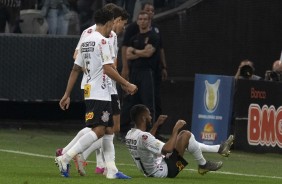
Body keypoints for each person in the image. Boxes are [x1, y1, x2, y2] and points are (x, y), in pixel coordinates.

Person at [55, 8, 137, 179]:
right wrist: (127, 83)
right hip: (101, 91)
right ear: (109, 22)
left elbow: (75, 69)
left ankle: (111, 170)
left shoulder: (86, 40)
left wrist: (67, 93)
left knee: (108, 130)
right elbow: (108, 68)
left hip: (91, 89)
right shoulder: (102, 41)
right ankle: (66, 157)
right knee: (99, 130)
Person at [125, 104, 235, 178]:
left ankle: (217, 151)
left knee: (185, 138)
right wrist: (175, 130)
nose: (150, 117)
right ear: (143, 118)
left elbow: (147, 142)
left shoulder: (130, 135)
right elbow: (168, 149)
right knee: (186, 134)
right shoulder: (144, 137)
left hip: (153, 168)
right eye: (148, 115)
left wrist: (156, 125)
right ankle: (204, 163)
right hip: (166, 171)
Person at [120, 2, 168, 140]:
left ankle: (151, 131)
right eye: (140, 19)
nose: (142, 21)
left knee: (149, 101)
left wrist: (135, 52)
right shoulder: (134, 36)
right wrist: (139, 52)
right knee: (130, 100)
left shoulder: (153, 34)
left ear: (150, 20)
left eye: (145, 18)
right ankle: (123, 130)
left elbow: (149, 53)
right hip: (134, 71)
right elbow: (128, 53)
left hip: (147, 72)